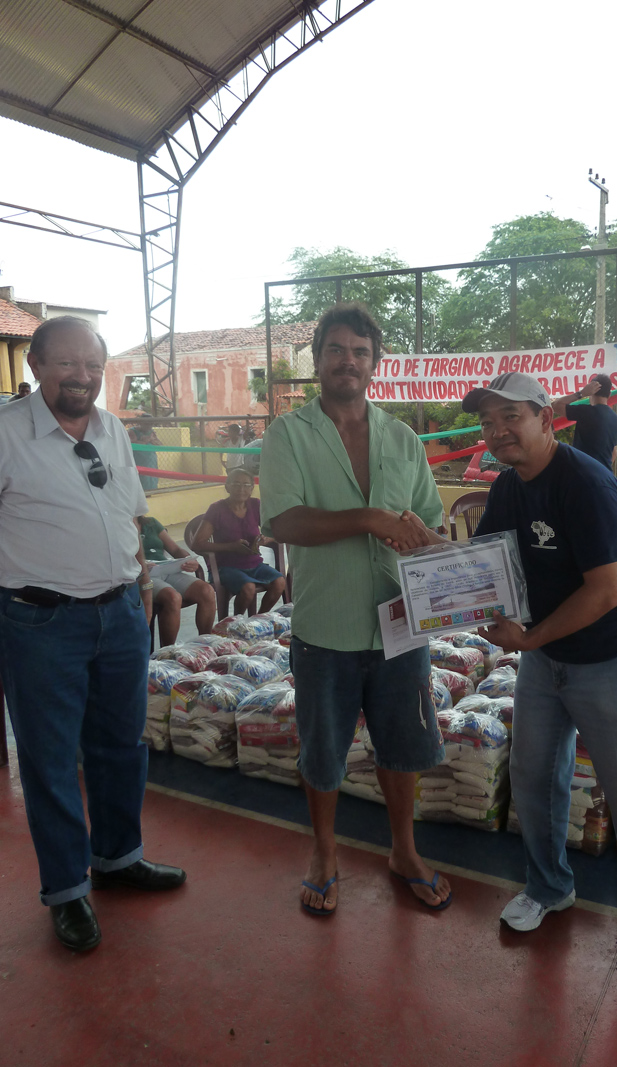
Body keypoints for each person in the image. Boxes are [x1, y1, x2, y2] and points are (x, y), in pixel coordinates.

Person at [462, 371, 617, 982]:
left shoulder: (587, 482)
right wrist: (423, 562)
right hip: (546, 659)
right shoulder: (507, 487)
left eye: (511, 416)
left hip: (612, 657)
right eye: (488, 422)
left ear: (546, 418)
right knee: (533, 777)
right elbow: (479, 565)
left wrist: (528, 638)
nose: (498, 431)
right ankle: (548, 886)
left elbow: (605, 593)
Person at [0, 316, 186, 954]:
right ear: (36, 366)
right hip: (40, 622)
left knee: (121, 746)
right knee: (50, 761)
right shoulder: (6, 434)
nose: (81, 377)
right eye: (66, 364)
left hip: (120, 613)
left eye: (93, 366)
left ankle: (118, 858)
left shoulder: (113, 430)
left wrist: (141, 583)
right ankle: (67, 891)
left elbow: (129, 515)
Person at [260, 302, 451, 916]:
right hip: (326, 626)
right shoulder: (288, 434)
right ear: (317, 360)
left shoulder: (402, 438)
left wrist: (457, 561)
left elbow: (429, 523)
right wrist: (370, 518)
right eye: (337, 350)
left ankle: (404, 850)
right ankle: (324, 852)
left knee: (402, 745)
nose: (349, 360)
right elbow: (284, 522)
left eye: (360, 352)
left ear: (375, 364)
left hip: (401, 624)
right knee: (323, 751)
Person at [192, 469, 286, 616]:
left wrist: (266, 538)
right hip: (226, 567)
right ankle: (237, 621)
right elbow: (197, 543)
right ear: (227, 487)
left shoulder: (255, 505)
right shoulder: (217, 509)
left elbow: (278, 530)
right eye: (236, 484)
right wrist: (231, 547)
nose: (241, 489)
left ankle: (258, 619)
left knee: (279, 582)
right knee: (248, 588)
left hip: (254, 564)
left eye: (246, 485)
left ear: (252, 488)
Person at [137, 514, 217, 645]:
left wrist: (188, 560)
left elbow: (175, 549)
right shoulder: (120, 527)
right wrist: (142, 565)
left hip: (166, 569)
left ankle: (204, 644)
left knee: (206, 591)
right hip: (144, 576)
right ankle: (168, 651)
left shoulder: (151, 523)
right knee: (173, 597)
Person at [551, 373, 617, 470]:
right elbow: (614, 452)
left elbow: (555, 405)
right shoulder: (616, 420)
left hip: (584, 471)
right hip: (604, 473)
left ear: (591, 392)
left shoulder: (585, 412)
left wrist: (581, 393)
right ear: (609, 394)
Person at [128, 415, 160, 492]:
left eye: (151, 424)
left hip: (151, 458)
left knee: (151, 475)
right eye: (147, 424)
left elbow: (159, 444)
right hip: (138, 459)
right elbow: (131, 443)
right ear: (141, 423)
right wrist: (147, 440)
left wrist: (149, 440)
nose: (149, 426)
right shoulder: (132, 431)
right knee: (140, 475)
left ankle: (151, 490)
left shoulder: (151, 432)